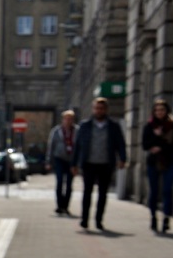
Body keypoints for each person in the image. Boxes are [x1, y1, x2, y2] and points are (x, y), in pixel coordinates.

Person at [71, 97, 126, 231]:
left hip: (106, 164)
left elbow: (120, 143)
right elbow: (77, 146)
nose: (98, 111)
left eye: (101, 108)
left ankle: (99, 220)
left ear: (106, 110)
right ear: (93, 109)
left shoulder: (113, 126)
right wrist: (74, 164)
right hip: (89, 163)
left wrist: (122, 159)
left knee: (103, 194)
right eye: (96, 108)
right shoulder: (85, 125)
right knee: (87, 192)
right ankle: (84, 219)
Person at [141, 98, 173, 233]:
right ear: (154, 111)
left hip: (169, 161)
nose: (159, 112)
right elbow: (145, 145)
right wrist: (156, 136)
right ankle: (153, 217)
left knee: (167, 190)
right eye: (157, 110)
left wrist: (161, 147)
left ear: (166, 111)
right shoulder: (149, 126)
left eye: (162, 110)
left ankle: (166, 218)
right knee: (153, 191)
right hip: (153, 162)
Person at [47, 109, 77, 215]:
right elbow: (51, 147)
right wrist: (48, 161)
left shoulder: (77, 131)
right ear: (63, 120)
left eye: (70, 119)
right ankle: (59, 206)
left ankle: (66, 206)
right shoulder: (56, 131)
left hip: (72, 161)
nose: (68, 121)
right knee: (59, 182)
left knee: (69, 184)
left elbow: (80, 147)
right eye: (66, 119)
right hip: (59, 159)